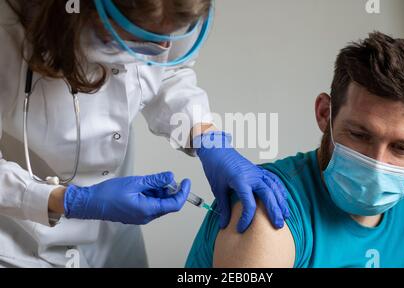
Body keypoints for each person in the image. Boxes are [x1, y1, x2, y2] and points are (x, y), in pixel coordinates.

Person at [0, 0, 288, 268]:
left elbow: (168, 72)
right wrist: (70, 201)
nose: (163, 46)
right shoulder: (7, 32)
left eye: (170, 37)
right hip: (19, 240)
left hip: (112, 241)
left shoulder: (173, 13)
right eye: (143, 38)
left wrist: (206, 137)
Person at [185, 32, 404, 268]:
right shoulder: (269, 210)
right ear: (325, 113)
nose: (377, 164)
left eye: (402, 148)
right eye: (359, 135)